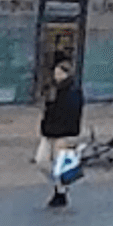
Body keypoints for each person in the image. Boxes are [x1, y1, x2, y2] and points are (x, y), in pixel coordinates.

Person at [40, 57, 84, 209]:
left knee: (59, 164)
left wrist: (69, 134)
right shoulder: (52, 89)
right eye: (55, 72)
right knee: (42, 161)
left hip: (62, 133)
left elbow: (72, 114)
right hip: (49, 131)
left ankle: (60, 192)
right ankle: (60, 187)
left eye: (59, 73)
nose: (56, 75)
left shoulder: (72, 91)